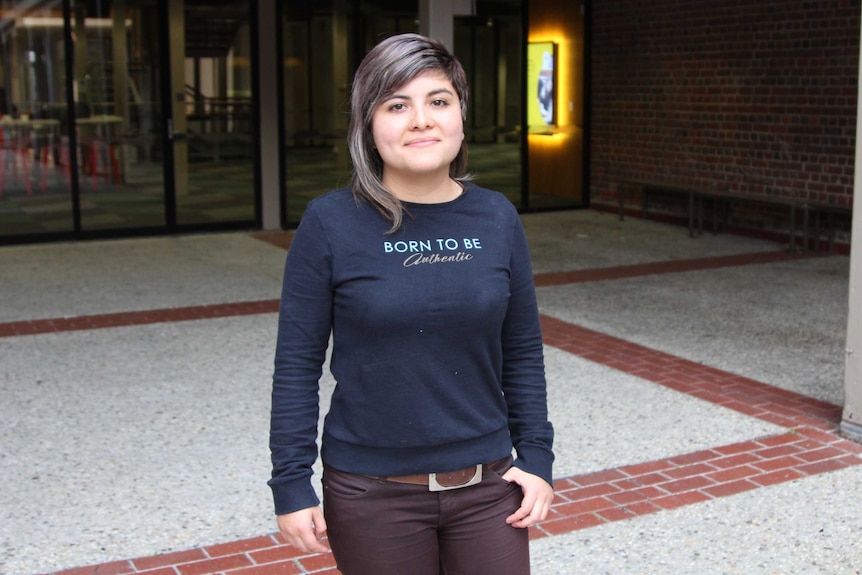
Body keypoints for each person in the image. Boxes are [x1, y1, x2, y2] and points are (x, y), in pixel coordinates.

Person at [268, 33, 554, 575]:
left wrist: (537, 457)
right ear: (368, 126)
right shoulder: (330, 223)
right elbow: (297, 367)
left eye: (438, 101)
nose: (421, 120)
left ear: (461, 117)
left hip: (490, 488)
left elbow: (522, 351)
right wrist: (290, 482)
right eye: (397, 105)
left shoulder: (497, 217)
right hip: (372, 494)